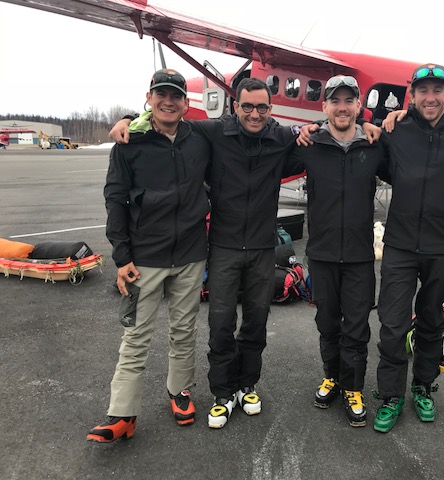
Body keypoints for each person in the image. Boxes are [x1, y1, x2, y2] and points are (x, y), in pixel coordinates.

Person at [110, 77, 379, 430]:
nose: (255, 114)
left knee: (256, 323)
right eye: (248, 106)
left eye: (262, 108)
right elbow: (169, 119)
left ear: (271, 110)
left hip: (263, 248)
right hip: (222, 247)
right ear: (235, 106)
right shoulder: (213, 132)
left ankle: (247, 385)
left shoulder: (282, 136)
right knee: (220, 325)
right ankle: (223, 393)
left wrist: (371, 125)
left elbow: (315, 131)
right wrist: (130, 118)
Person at [88, 69, 211, 442]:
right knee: (137, 335)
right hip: (145, 259)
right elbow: (116, 199)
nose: (168, 101)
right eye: (162, 94)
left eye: (176, 95)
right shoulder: (129, 142)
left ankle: (179, 391)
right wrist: (122, 257)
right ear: (149, 97)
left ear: (187, 104)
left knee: (184, 329)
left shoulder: (201, 138)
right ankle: (122, 414)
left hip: (190, 254)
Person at [374, 64, 444, 433]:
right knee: (392, 323)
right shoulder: (396, 130)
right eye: (423, 91)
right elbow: (369, 147)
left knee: (432, 322)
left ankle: (422, 387)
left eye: (437, 90)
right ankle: (390, 394)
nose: (430, 97)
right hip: (401, 245)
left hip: (443, 246)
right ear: (413, 96)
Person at [289, 75, 389, 427]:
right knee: (327, 323)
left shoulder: (374, 146)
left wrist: (395, 119)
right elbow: (267, 147)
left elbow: (410, 160)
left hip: (361, 256)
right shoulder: (310, 144)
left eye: (349, 100)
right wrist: (297, 132)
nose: (342, 107)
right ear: (324, 106)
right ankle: (332, 375)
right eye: (336, 100)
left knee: (357, 327)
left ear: (358, 105)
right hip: (322, 254)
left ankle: (353, 387)